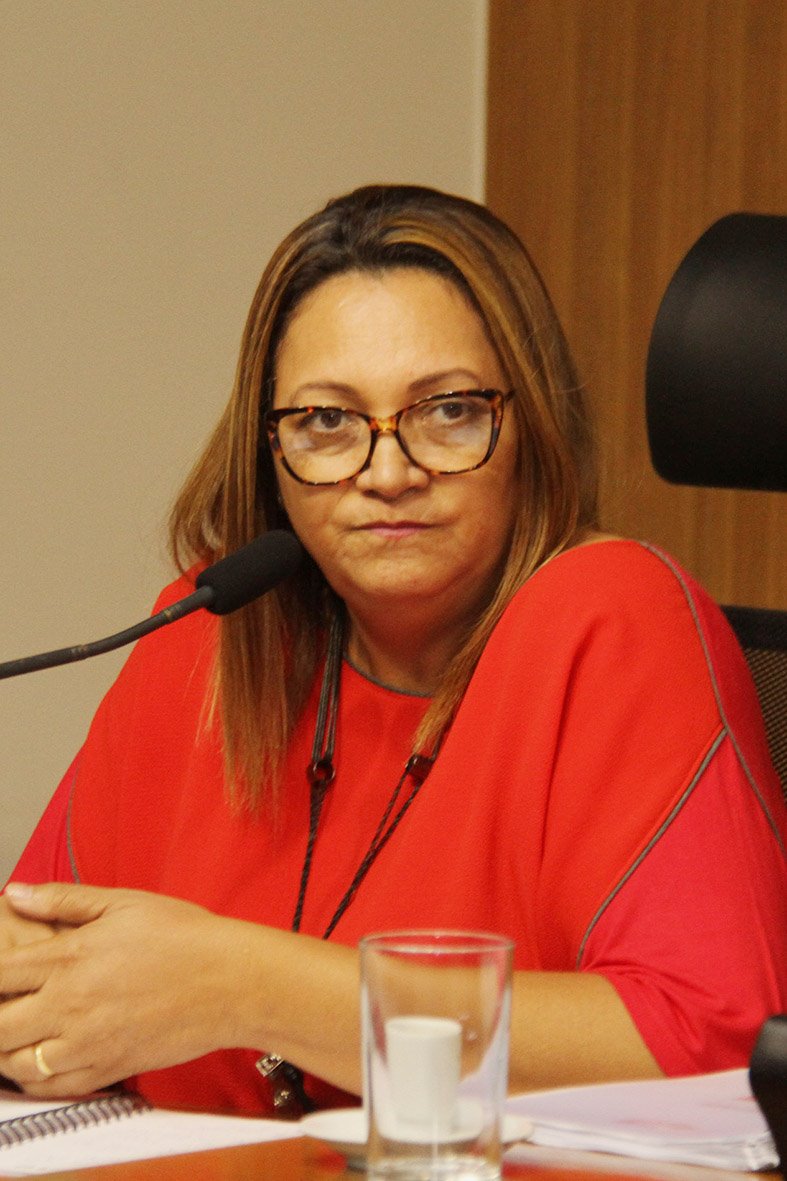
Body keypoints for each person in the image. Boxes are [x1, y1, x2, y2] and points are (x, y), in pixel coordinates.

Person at [0, 184, 785, 1117]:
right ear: (269, 453)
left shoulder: (612, 620)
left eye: (447, 410)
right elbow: (37, 974)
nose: (386, 471)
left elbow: (713, 1047)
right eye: (327, 422)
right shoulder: (212, 631)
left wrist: (242, 987)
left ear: (528, 424)